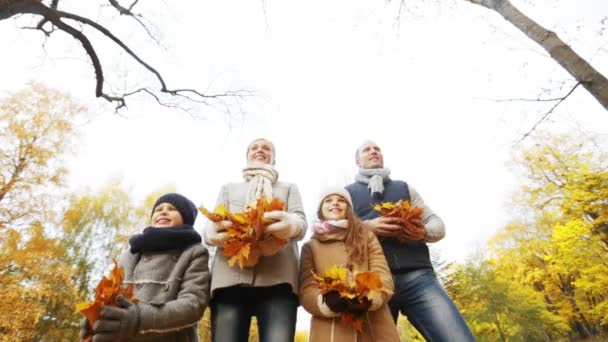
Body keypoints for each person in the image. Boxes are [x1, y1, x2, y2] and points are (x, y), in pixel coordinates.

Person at [345, 140, 475, 341]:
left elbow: (438, 225)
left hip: (418, 277)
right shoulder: (346, 194)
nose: (374, 151)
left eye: (377, 148)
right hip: (371, 281)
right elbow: (331, 233)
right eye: (367, 149)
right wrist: (366, 228)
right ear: (357, 161)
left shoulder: (404, 188)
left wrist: (422, 232)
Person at [204, 138, 307, 342]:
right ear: (247, 155)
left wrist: (290, 225)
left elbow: (302, 224)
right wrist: (213, 232)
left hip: (278, 279)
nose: (260, 150)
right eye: (254, 147)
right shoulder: (228, 188)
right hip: (230, 278)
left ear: (273, 158)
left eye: (266, 148)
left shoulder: (289, 188)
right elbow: (214, 221)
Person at [80, 193, 210, 342]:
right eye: (158, 209)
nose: (163, 211)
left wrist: (139, 318)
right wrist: (95, 315)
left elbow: (192, 305)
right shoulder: (128, 255)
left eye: (172, 208)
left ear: (185, 220)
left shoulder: (194, 252)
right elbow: (109, 294)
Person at [299, 187, 400, 341]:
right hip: (330, 331)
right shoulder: (310, 247)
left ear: (349, 208)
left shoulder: (367, 238)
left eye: (341, 200)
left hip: (374, 329)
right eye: (328, 200)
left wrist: (370, 298)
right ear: (320, 210)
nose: (335, 203)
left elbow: (383, 274)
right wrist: (325, 303)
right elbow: (307, 288)